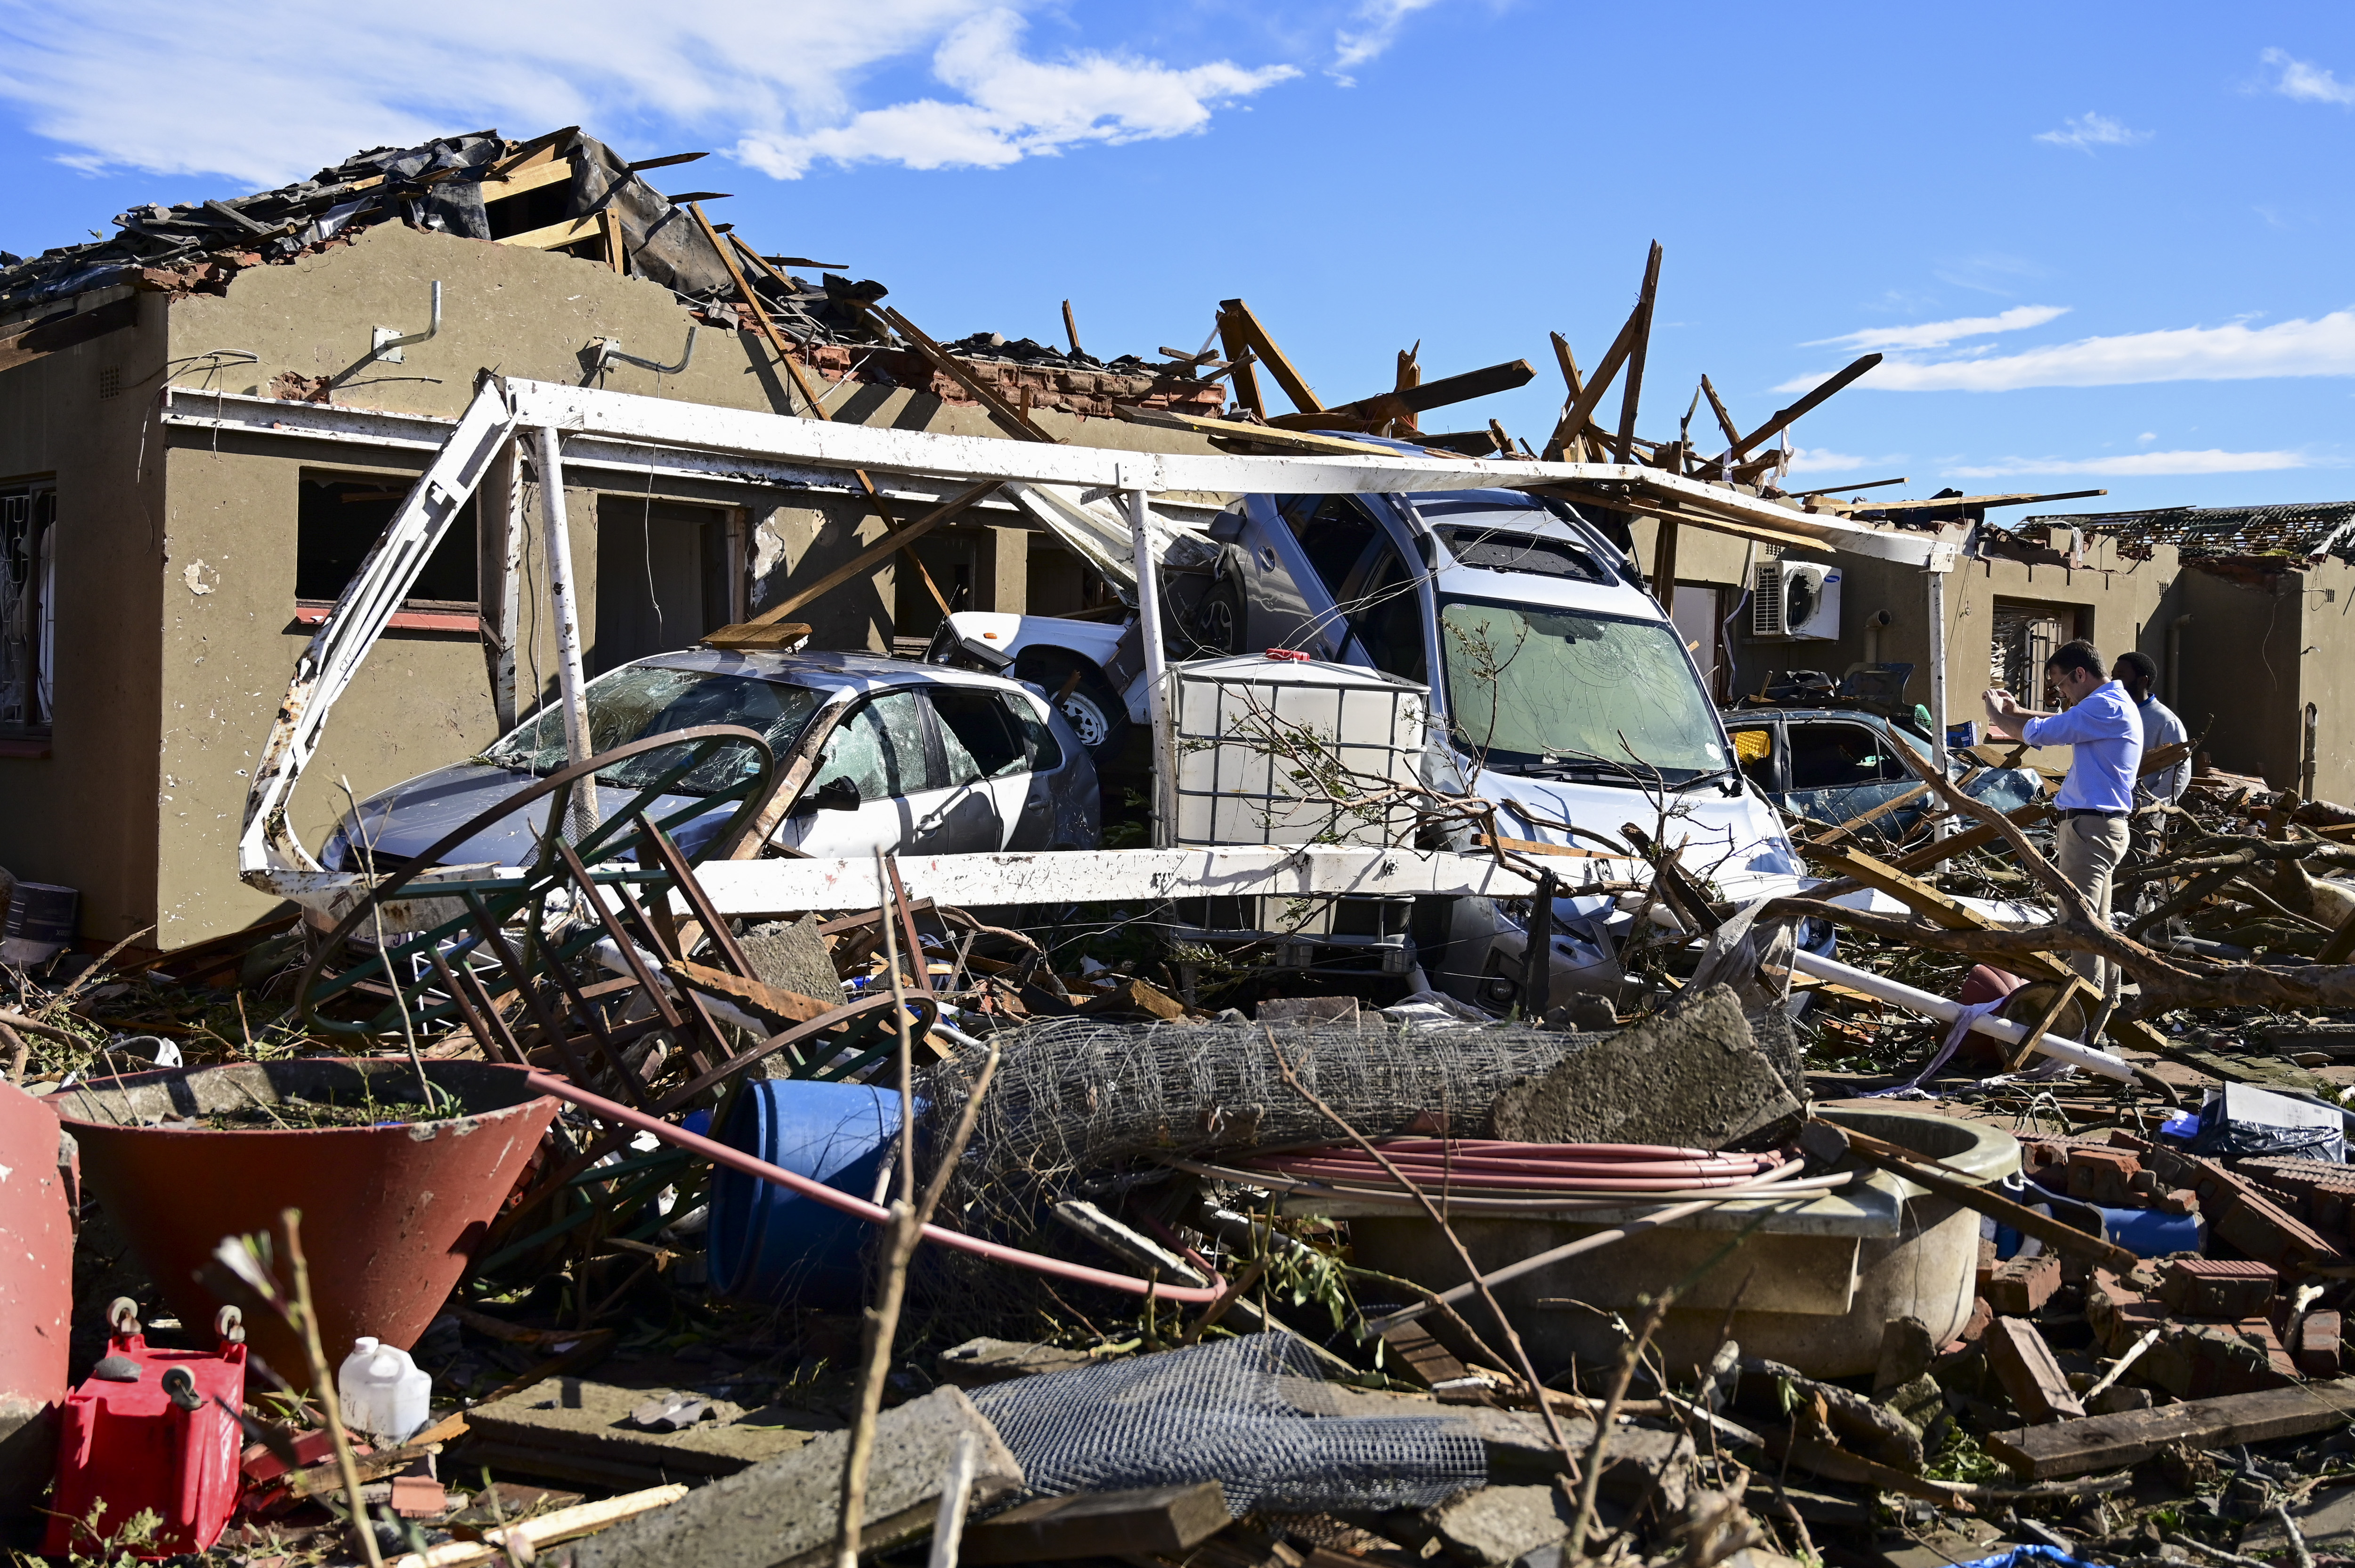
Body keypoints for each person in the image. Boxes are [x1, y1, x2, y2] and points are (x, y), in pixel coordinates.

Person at [1983, 639, 2144, 988]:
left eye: (2061, 685)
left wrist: (1997, 715)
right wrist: (2018, 711)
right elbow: (2064, 721)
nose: (2062, 694)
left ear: (2080, 674)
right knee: (2099, 927)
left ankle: (2085, 1012)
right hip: (2099, 827)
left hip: (2091, 829)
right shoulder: (2109, 704)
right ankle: (2108, 1006)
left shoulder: (2105, 705)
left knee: (2079, 929)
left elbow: (2046, 732)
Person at [2112, 650, 2188, 810]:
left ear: (2142, 681)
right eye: (2113, 676)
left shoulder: (2165, 721)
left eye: (2120, 677)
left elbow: (2179, 771)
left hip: (2142, 815)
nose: (2114, 683)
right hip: (2107, 810)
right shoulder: (2112, 713)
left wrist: (2150, 805)